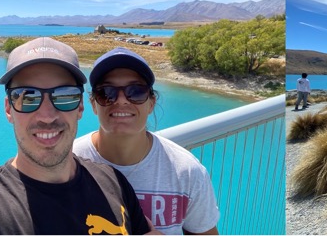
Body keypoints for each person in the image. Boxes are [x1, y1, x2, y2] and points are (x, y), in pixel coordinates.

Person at [0, 37, 155, 235]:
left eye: (64, 96)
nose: (47, 115)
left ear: (80, 107)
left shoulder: (112, 181)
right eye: (27, 97)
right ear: (8, 109)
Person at [72, 47, 220, 235]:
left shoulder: (186, 172)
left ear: (151, 103)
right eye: (107, 92)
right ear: (93, 104)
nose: (121, 101)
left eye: (136, 91)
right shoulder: (71, 162)